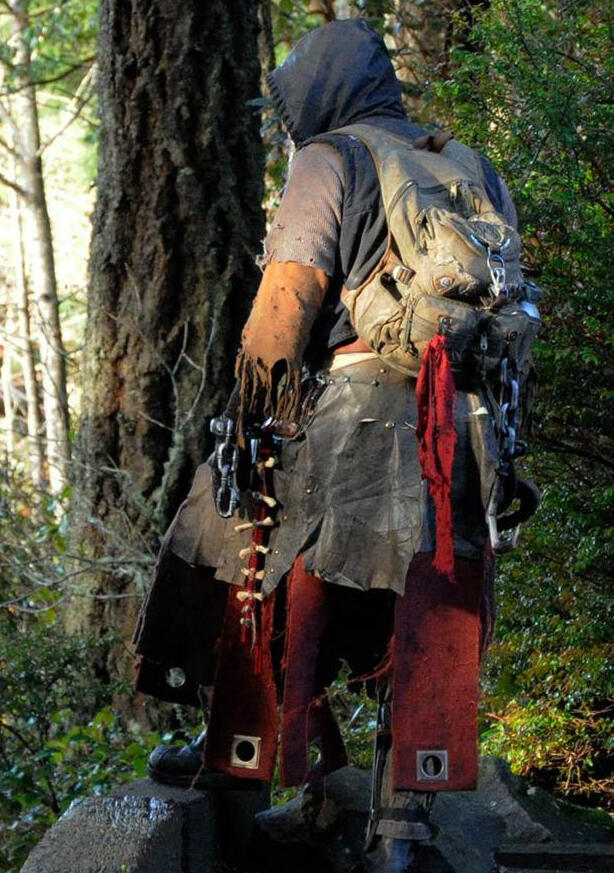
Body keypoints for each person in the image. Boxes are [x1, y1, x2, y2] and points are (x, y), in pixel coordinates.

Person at [134, 18, 530, 873]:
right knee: (425, 614)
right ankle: (402, 823)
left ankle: (233, 756)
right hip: (461, 436)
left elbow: (285, 309)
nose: (287, 123)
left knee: (220, 544)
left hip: (353, 423)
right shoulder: (471, 166)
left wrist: (250, 414)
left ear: (320, 94)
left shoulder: (330, 158)